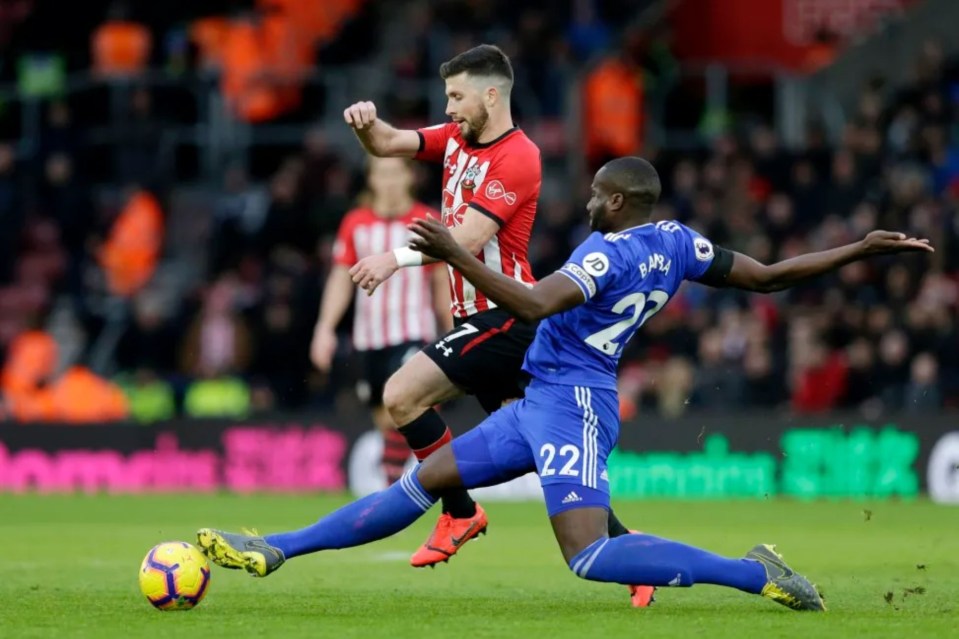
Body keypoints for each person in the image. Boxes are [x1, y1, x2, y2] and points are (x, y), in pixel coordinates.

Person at [195, 156, 932, 610]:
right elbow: (769, 277)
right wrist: (856, 250)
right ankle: (276, 549)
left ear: (614, 203)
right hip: (540, 397)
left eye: (593, 192)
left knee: (587, 556)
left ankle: (750, 571)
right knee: (421, 482)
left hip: (575, 403)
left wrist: (455, 251)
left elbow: (534, 302)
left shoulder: (604, 257)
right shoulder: (677, 242)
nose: (585, 198)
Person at [341, 43, 648, 601]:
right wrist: (367, 125)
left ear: (491, 95)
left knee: (402, 395)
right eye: (446, 97)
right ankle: (634, 561)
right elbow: (389, 143)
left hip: (503, 314)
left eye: (457, 96)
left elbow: (469, 241)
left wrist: (394, 259)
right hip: (479, 319)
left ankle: (459, 512)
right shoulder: (457, 137)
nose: (450, 107)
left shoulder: (519, 156)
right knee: (543, 452)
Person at [311, 156, 452, 484]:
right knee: (386, 419)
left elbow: (440, 279)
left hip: (414, 331)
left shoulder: (424, 220)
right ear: (371, 180)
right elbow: (340, 278)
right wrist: (325, 328)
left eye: (394, 174)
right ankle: (401, 489)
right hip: (369, 338)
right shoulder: (355, 223)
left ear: (409, 178)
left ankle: (409, 485)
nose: (388, 182)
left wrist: (452, 327)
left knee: (406, 398)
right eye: (381, 174)